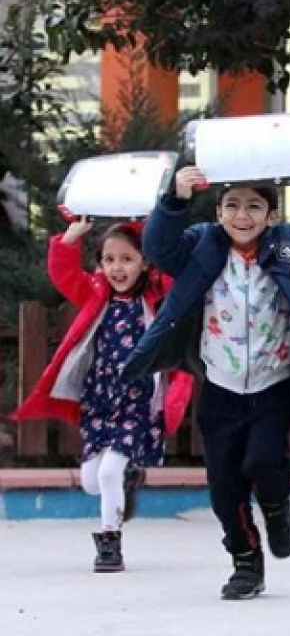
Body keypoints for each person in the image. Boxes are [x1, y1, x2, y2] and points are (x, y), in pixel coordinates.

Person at [123, 161, 290, 600]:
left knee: (264, 460)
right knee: (224, 488)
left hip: (272, 383)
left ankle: (277, 508)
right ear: (218, 212)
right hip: (220, 386)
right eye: (231, 205)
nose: (241, 216)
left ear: (271, 215)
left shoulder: (289, 246)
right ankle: (246, 562)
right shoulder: (202, 245)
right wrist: (175, 200)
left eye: (253, 207)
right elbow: (159, 247)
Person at [13, 218, 193, 572]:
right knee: (92, 483)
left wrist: (158, 226)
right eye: (109, 260)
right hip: (100, 399)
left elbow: (178, 274)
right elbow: (65, 275)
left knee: (109, 473)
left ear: (145, 262)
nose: (117, 268)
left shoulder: (157, 297)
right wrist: (68, 240)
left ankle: (110, 544)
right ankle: (128, 479)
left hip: (138, 400)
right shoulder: (96, 294)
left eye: (127, 259)